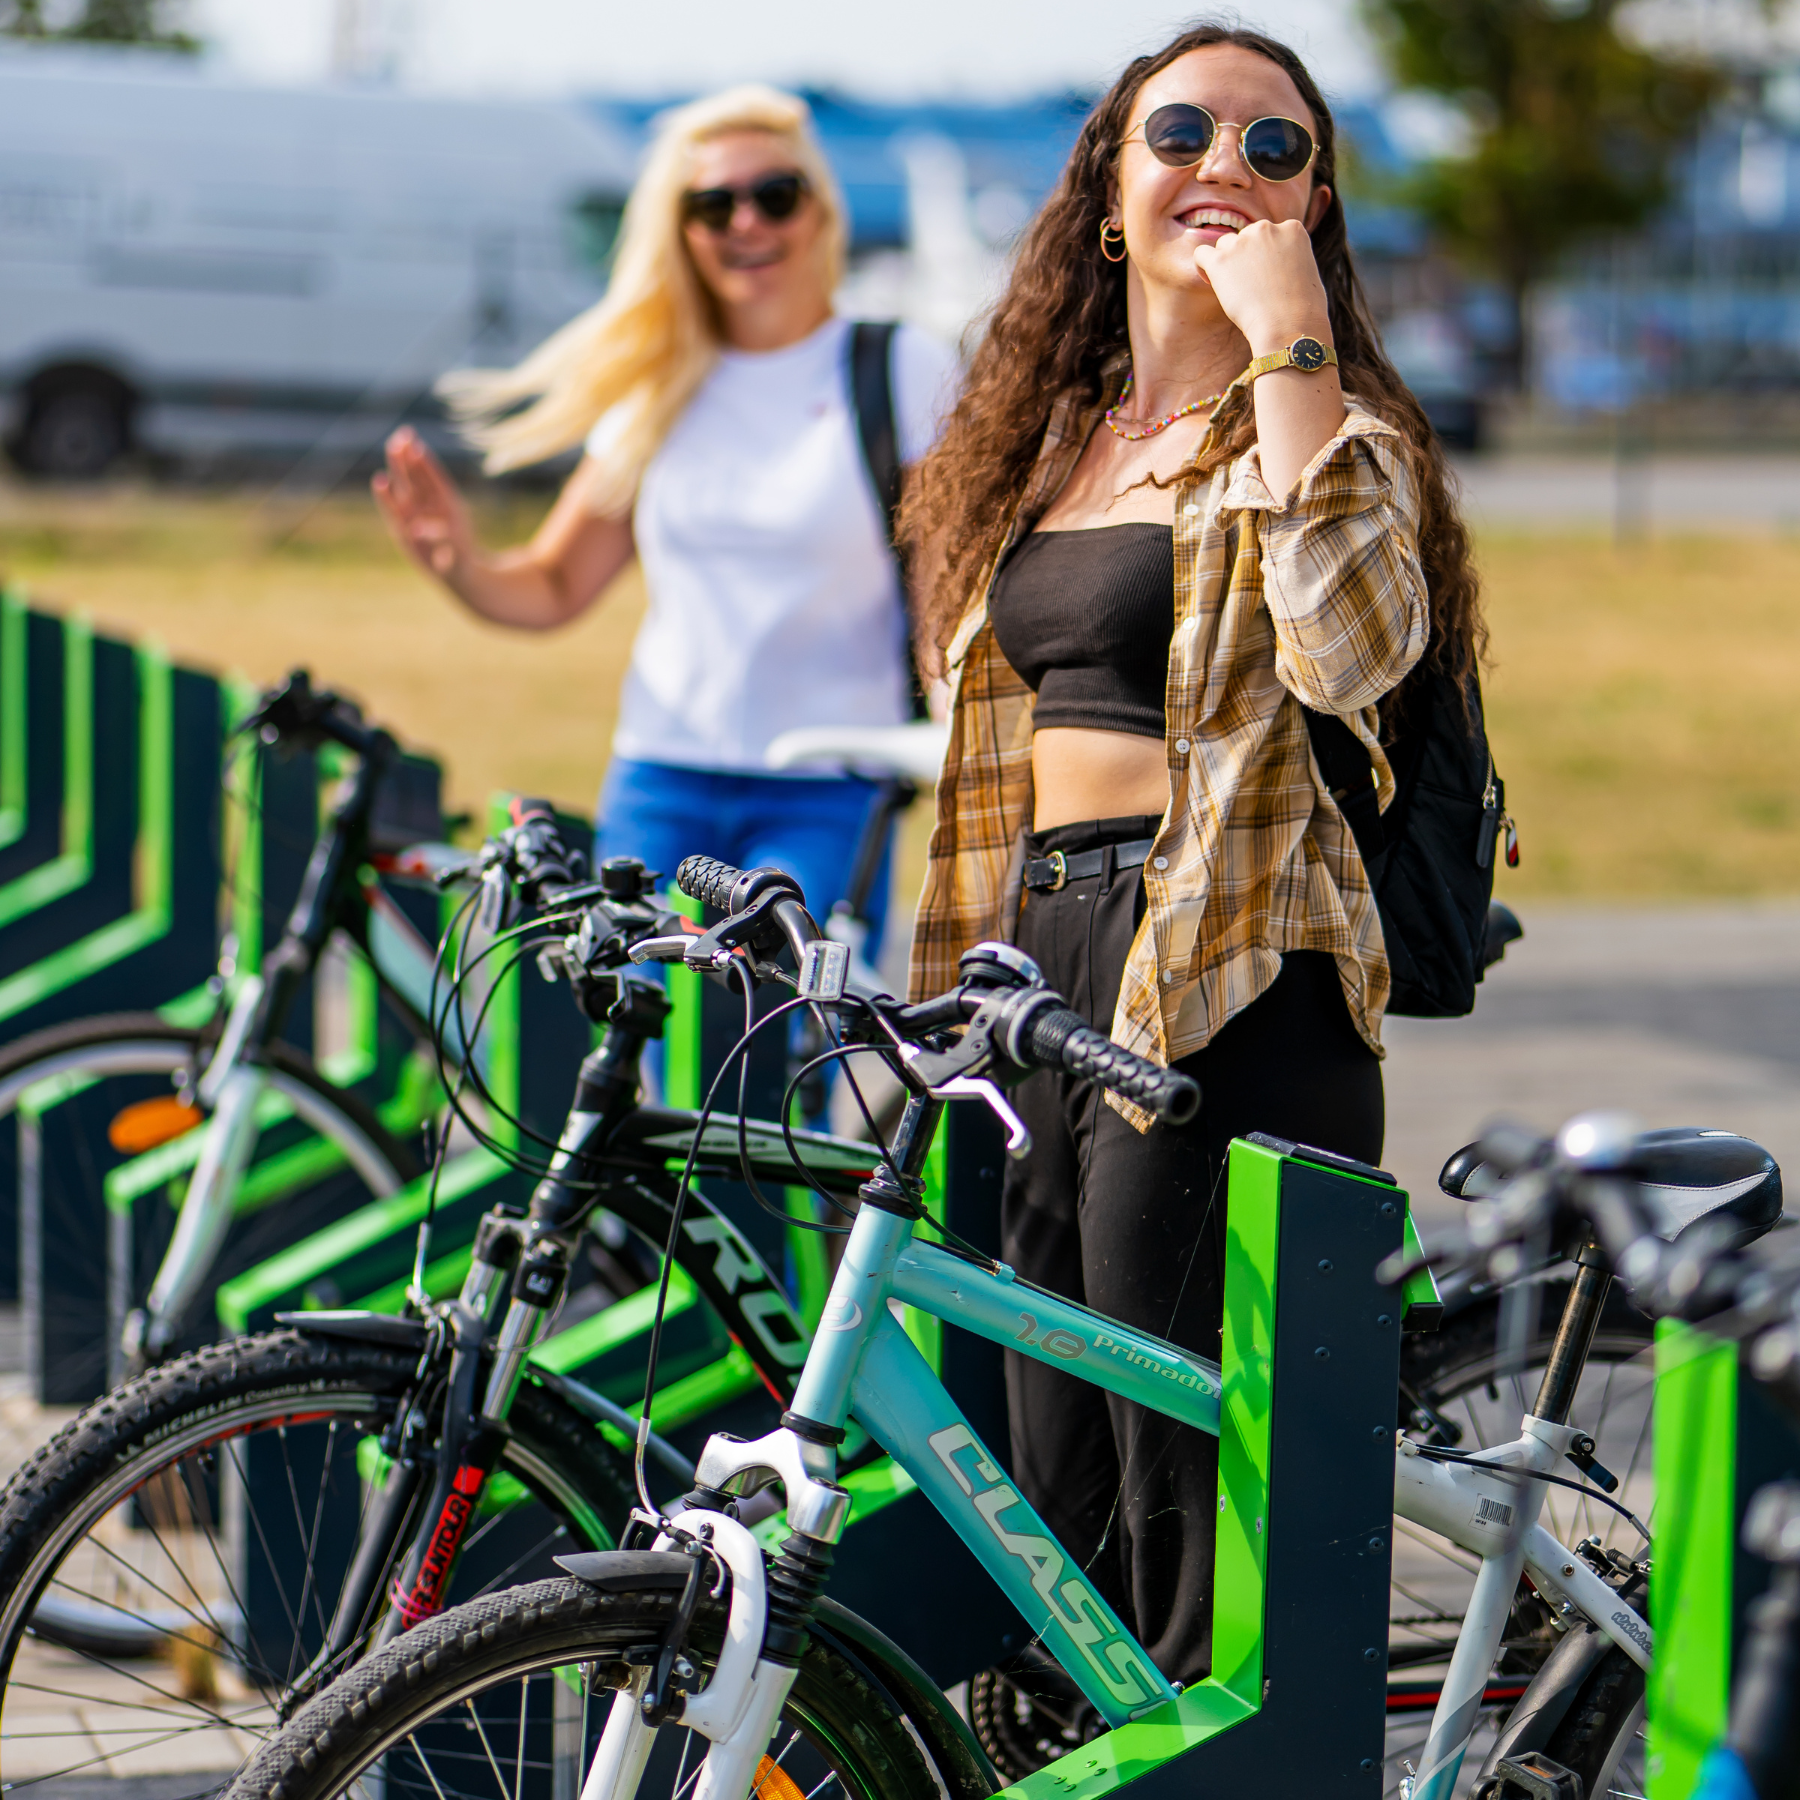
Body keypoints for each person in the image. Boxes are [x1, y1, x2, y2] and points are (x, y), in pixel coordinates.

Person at [900, 23, 1484, 1692]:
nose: (1225, 165)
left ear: (1316, 206)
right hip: (1037, 971)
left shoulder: (1324, 428)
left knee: (1183, 1522)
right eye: (1183, 131)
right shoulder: (1047, 443)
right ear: (1109, 183)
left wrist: (1289, 346)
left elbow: (1353, 652)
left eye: (1277, 148)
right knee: (1049, 1486)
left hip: (1224, 968)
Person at [372, 86, 957, 947]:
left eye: (775, 195)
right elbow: (556, 584)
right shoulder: (659, 380)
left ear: (820, 209)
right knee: (636, 1049)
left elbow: (942, 600)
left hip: (827, 784)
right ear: (678, 230)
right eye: (712, 205)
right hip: (661, 778)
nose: (746, 224)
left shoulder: (901, 364)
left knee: (773, 1055)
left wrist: (964, 743)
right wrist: (459, 561)